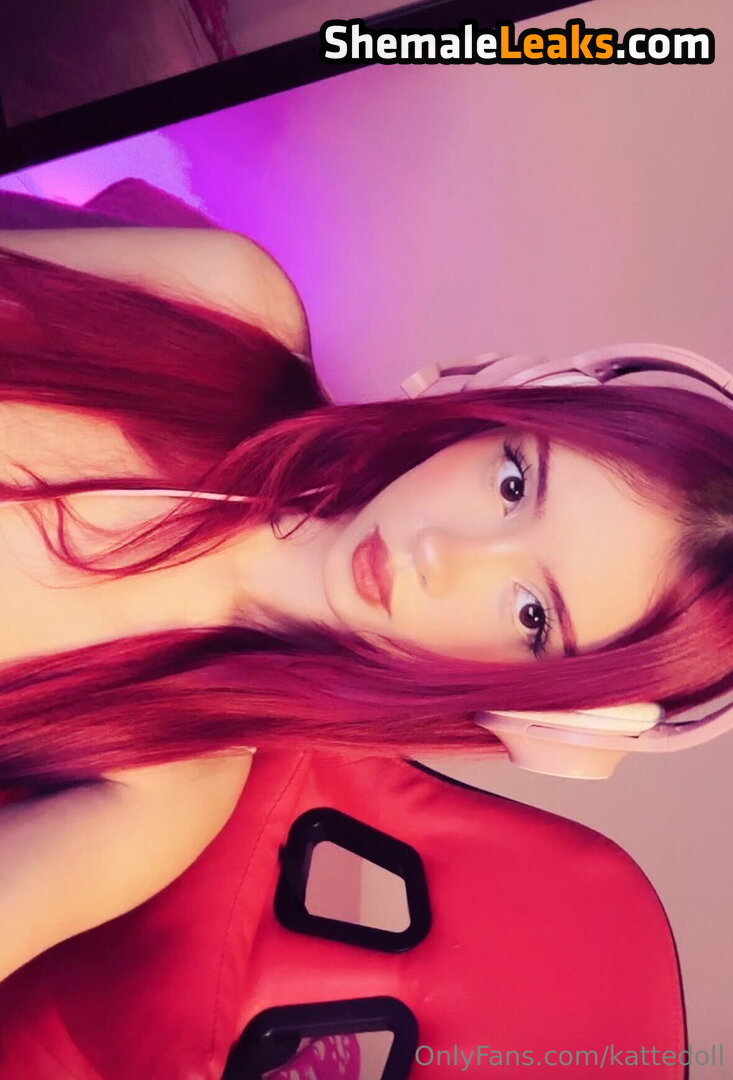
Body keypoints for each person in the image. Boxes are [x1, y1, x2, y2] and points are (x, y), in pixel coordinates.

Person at [0, 223, 730, 985]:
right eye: (512, 484)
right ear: (501, 411)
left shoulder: (159, 795)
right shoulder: (225, 303)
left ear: (540, 709)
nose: (441, 553)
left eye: (530, 615)